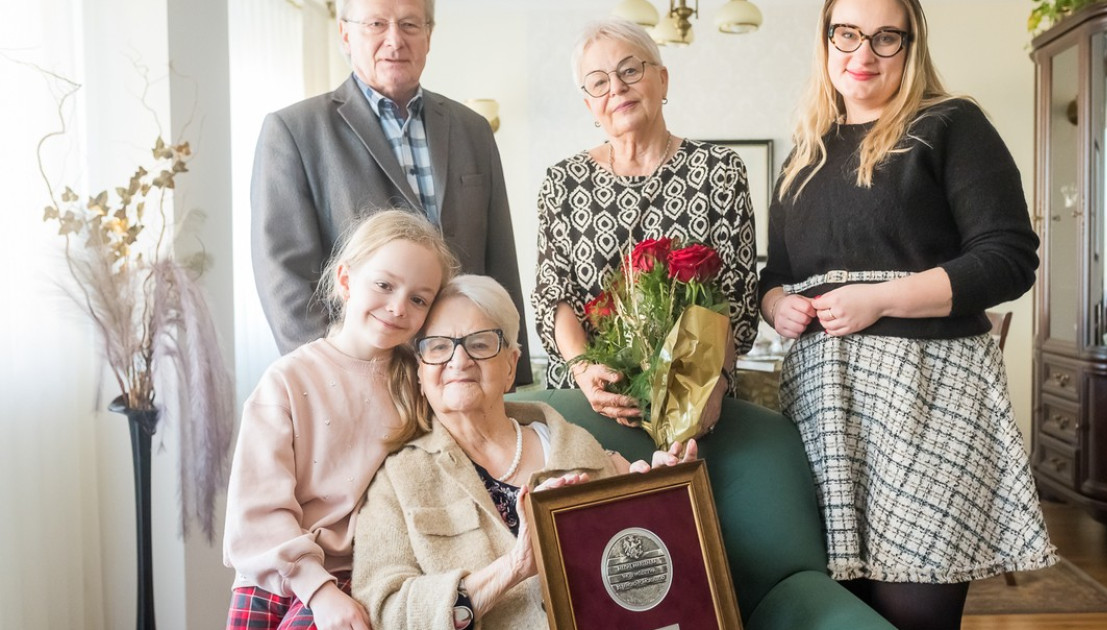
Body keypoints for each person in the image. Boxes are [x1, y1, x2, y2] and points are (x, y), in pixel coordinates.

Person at [757, 1, 1058, 628]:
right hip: (824, 403)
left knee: (915, 607)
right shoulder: (804, 151)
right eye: (847, 34)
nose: (863, 53)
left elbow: (1009, 259)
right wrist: (775, 302)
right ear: (825, 41)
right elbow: (776, 271)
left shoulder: (950, 124)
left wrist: (880, 299)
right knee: (847, 610)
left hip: (928, 394)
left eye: (885, 37)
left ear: (911, 44)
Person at [352, 275, 697, 629]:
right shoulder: (398, 478)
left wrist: (664, 514)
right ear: (420, 373)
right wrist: (514, 567)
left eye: (481, 344)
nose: (459, 360)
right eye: (438, 347)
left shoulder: (581, 451)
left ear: (511, 366)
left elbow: (645, 594)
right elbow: (381, 610)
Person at [251, 0, 532, 385]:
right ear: (346, 34)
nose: (395, 40)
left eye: (410, 25)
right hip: (361, 381)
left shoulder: (473, 130)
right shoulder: (294, 131)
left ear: (429, 36)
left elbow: (500, 262)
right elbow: (284, 277)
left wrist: (513, 377)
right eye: (377, 24)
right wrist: (336, 378)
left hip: (466, 376)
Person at [223, 209, 459, 630]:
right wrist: (317, 590)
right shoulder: (286, 382)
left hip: (361, 572)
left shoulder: (420, 385)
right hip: (276, 571)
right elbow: (256, 513)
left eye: (418, 299)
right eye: (384, 285)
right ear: (346, 280)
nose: (397, 307)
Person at [532, 18, 759, 432]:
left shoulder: (718, 171)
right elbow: (553, 296)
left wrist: (712, 389)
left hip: (695, 401)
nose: (616, 88)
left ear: (662, 79)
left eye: (629, 70)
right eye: (598, 82)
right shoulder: (562, 182)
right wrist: (585, 374)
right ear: (589, 104)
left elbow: (737, 303)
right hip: (589, 405)